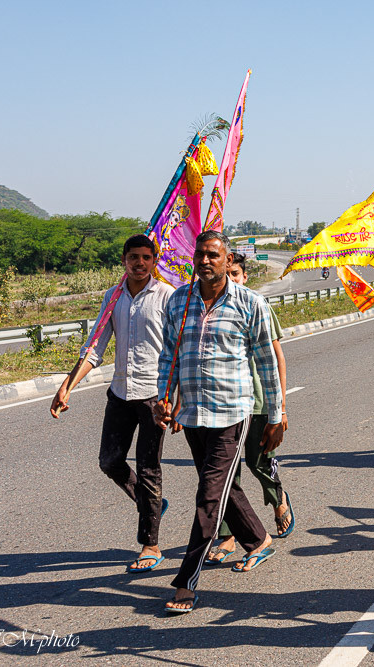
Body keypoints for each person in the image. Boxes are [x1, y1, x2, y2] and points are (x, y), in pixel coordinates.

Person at [152, 230, 283, 614]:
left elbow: (266, 364)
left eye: (213, 255)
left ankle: (186, 580)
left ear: (228, 261)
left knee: (210, 494)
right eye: (200, 254)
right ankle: (258, 540)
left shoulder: (250, 303)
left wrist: (275, 414)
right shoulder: (179, 301)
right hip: (192, 412)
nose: (205, 261)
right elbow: (168, 357)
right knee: (221, 487)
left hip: (232, 412)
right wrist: (164, 396)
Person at [50, 234, 174, 572]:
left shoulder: (167, 296)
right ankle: (151, 503)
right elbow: (95, 347)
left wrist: (174, 397)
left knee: (149, 468)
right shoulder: (113, 297)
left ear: (154, 261)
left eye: (146, 257)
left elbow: (176, 350)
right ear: (124, 260)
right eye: (133, 257)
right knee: (109, 461)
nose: (139, 263)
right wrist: (67, 386)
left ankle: (151, 544)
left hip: (153, 396)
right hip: (120, 392)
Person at [205, 253, 295, 566]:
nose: (231, 279)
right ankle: (229, 534)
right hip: (227, 403)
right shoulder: (212, 308)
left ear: (244, 277)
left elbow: (278, 358)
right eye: (226, 273)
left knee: (259, 463)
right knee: (230, 475)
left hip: (259, 401)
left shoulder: (258, 306)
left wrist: (279, 407)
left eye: (236, 274)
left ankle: (277, 498)